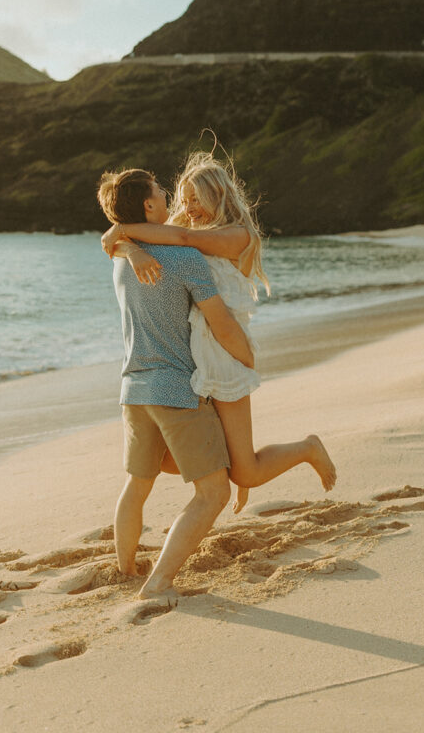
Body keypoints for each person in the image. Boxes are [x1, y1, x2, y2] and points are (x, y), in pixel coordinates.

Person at [102, 151, 336, 514]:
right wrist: (129, 247)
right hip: (191, 355)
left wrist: (123, 231)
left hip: (225, 351)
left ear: (219, 196)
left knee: (246, 473)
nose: (190, 207)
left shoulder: (237, 235)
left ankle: (307, 448)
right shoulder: (189, 229)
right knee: (168, 458)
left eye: (198, 199)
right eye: (185, 199)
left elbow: (173, 236)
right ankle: (226, 467)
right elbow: (126, 243)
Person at [97, 167, 254, 604]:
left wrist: (129, 244)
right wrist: (247, 361)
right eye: (161, 193)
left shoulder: (120, 259)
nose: (168, 198)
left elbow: (116, 238)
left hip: (133, 388)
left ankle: (125, 570)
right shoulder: (183, 258)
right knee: (214, 492)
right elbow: (220, 321)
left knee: (137, 484)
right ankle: (159, 581)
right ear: (149, 206)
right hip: (175, 390)